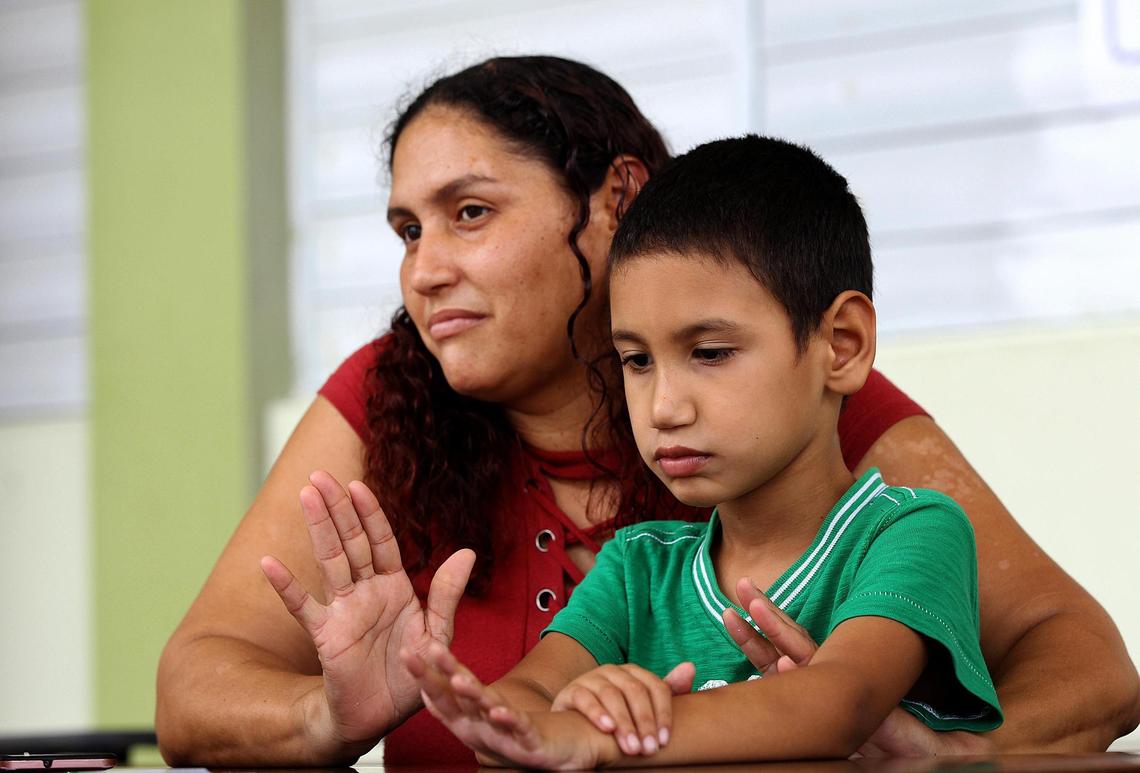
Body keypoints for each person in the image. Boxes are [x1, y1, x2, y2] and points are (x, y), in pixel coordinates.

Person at [154, 56, 1140, 766]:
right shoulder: (391, 392)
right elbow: (195, 687)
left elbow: (1085, 663)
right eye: (407, 229)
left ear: (615, 198)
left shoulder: (803, 402)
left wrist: (965, 756)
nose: (424, 268)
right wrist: (334, 717)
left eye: (471, 212)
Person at [403, 134, 1004, 767]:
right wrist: (582, 701)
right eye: (636, 361)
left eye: (710, 353)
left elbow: (835, 707)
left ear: (843, 345)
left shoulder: (909, 533)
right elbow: (518, 708)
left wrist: (604, 736)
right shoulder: (637, 569)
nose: (664, 408)